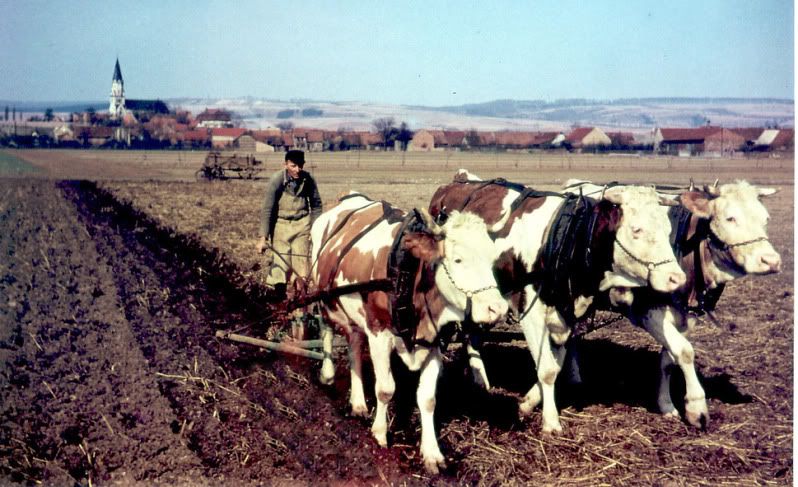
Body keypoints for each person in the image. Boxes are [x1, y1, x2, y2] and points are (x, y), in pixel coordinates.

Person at [256, 149, 322, 297]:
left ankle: (300, 303)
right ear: (285, 164)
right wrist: (263, 238)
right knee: (281, 263)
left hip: (302, 224)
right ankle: (279, 299)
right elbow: (267, 209)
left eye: (300, 166)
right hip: (281, 225)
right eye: (293, 166)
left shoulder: (308, 179)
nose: (297, 170)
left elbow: (317, 206)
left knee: (301, 266)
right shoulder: (277, 180)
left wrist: (314, 229)